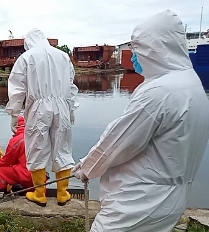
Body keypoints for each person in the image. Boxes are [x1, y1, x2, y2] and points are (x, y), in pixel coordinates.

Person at [72, 10, 209, 232]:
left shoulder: (160, 92)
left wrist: (87, 167)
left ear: (154, 49)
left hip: (138, 202)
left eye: (138, 49)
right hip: (172, 196)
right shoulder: (190, 84)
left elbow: (119, 142)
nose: (133, 55)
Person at [6, 28, 79, 207]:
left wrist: (14, 114)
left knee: (37, 148)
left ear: (29, 42)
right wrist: (71, 110)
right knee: (62, 148)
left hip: (38, 108)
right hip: (62, 106)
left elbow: (17, 88)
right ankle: (63, 193)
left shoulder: (26, 58)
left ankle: (40, 194)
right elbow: (71, 86)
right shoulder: (63, 57)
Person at [0, 116, 33, 193]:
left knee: (2, 172)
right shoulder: (35, 136)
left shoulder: (17, 140)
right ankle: (31, 190)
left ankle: (1, 194)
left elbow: (6, 161)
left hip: (27, 174)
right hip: (40, 174)